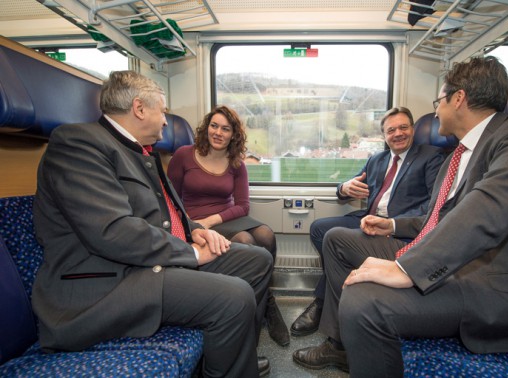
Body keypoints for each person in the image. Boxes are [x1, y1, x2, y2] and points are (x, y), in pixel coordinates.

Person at [292, 56, 508, 377]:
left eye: (439, 101)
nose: (435, 112)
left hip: (490, 284)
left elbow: (490, 206)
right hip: (443, 257)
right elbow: (439, 219)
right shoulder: (454, 158)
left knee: (362, 299)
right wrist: (391, 225)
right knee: (336, 239)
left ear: (458, 98)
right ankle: (341, 346)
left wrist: (407, 267)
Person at [32, 71, 273, 378]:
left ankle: (234, 352)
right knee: (235, 296)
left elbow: (169, 211)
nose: (164, 121)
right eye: (162, 110)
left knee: (257, 261)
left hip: (150, 263)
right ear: (139, 108)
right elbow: (113, 231)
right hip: (112, 282)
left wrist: (195, 231)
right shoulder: (78, 144)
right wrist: (192, 254)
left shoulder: (140, 151)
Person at [290, 107, 445, 337]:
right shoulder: (377, 160)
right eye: (391, 130)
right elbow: (348, 186)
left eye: (403, 127)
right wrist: (344, 188)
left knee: (335, 239)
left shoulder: (430, 157)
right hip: (368, 219)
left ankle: (323, 301)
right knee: (319, 229)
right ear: (384, 136)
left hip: (396, 228)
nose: (398, 134)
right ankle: (337, 288)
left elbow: (434, 208)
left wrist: (393, 223)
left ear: (412, 129)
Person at [167, 105, 290, 347]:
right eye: (214, 126)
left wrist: (211, 220)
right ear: (206, 127)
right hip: (194, 220)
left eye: (225, 129)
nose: (218, 133)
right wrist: (193, 225)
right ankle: (251, 312)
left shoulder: (236, 163)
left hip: (225, 217)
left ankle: (267, 302)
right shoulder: (183, 155)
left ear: (233, 135)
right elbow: (170, 199)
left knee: (266, 235)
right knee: (246, 241)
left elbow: (243, 206)